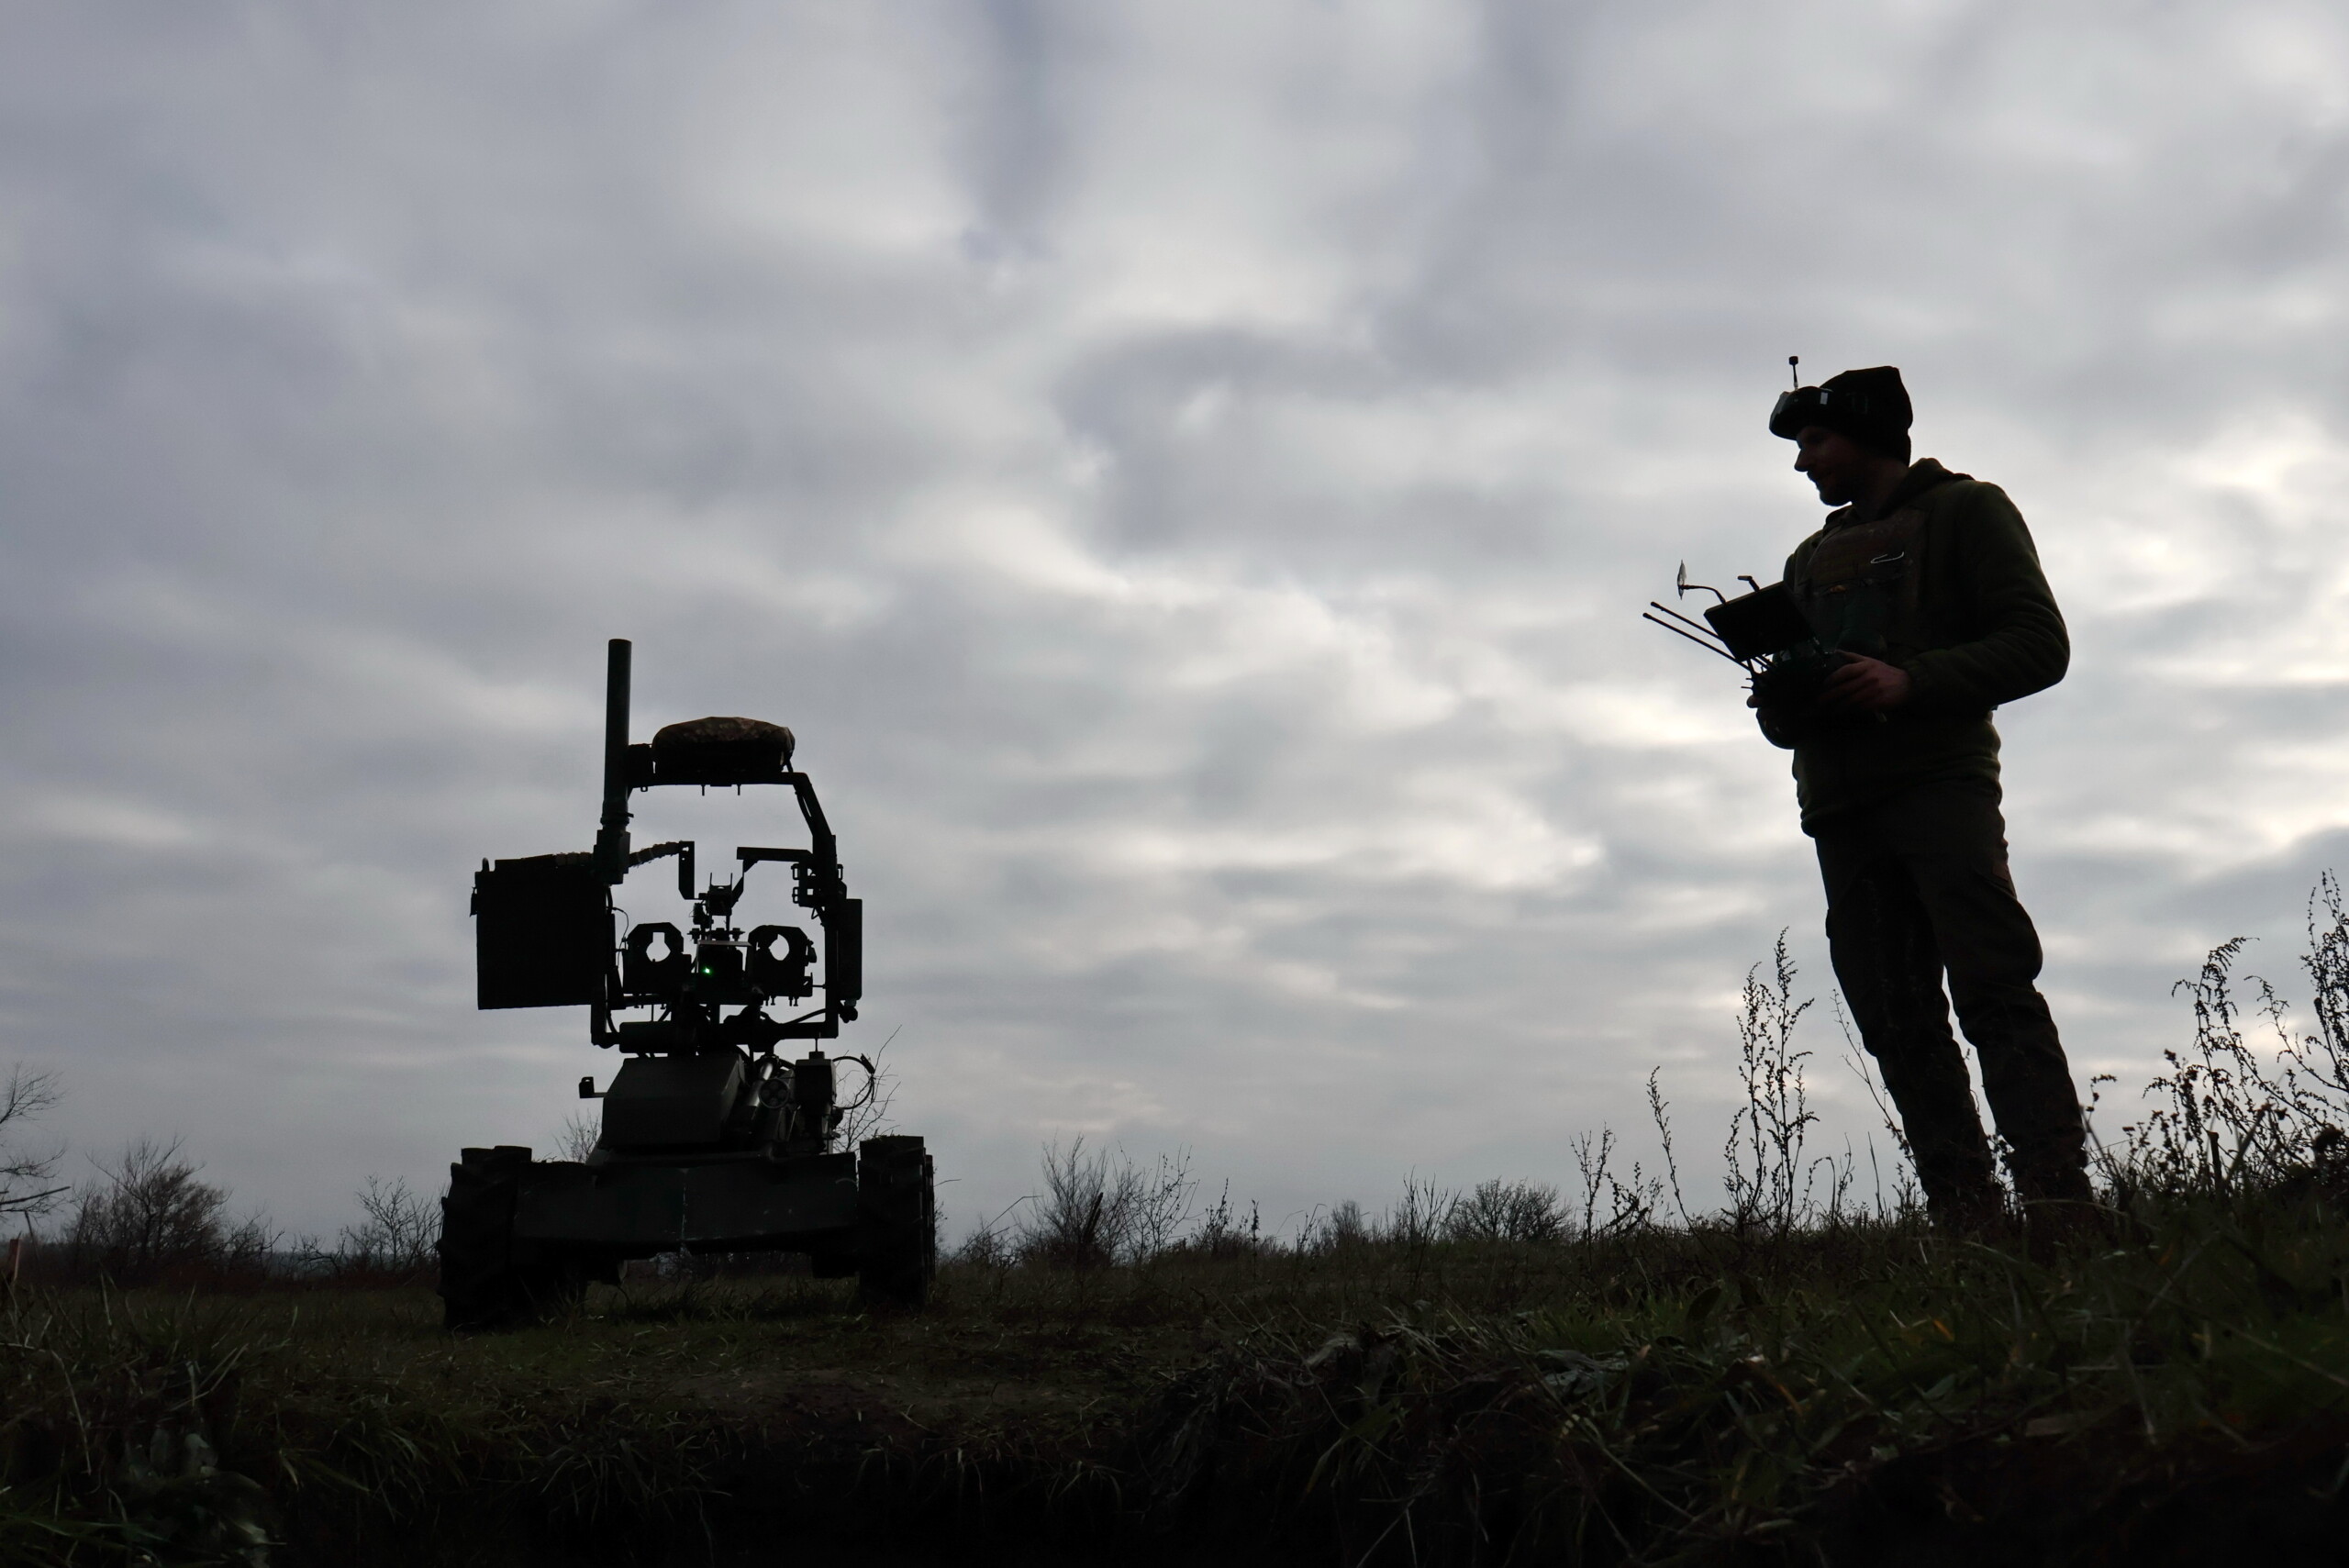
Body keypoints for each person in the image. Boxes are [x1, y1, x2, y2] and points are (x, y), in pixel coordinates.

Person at [1754, 364, 2093, 1234]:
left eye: (1815, 443)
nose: (1803, 465)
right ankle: (1969, 1221)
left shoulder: (1968, 512)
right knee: (1896, 1020)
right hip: (1840, 814)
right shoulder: (1807, 560)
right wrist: (1784, 701)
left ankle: (2060, 1205)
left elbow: (2038, 644)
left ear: (1866, 433)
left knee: (1995, 989)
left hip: (1941, 792)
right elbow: (1790, 724)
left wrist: (1907, 683)